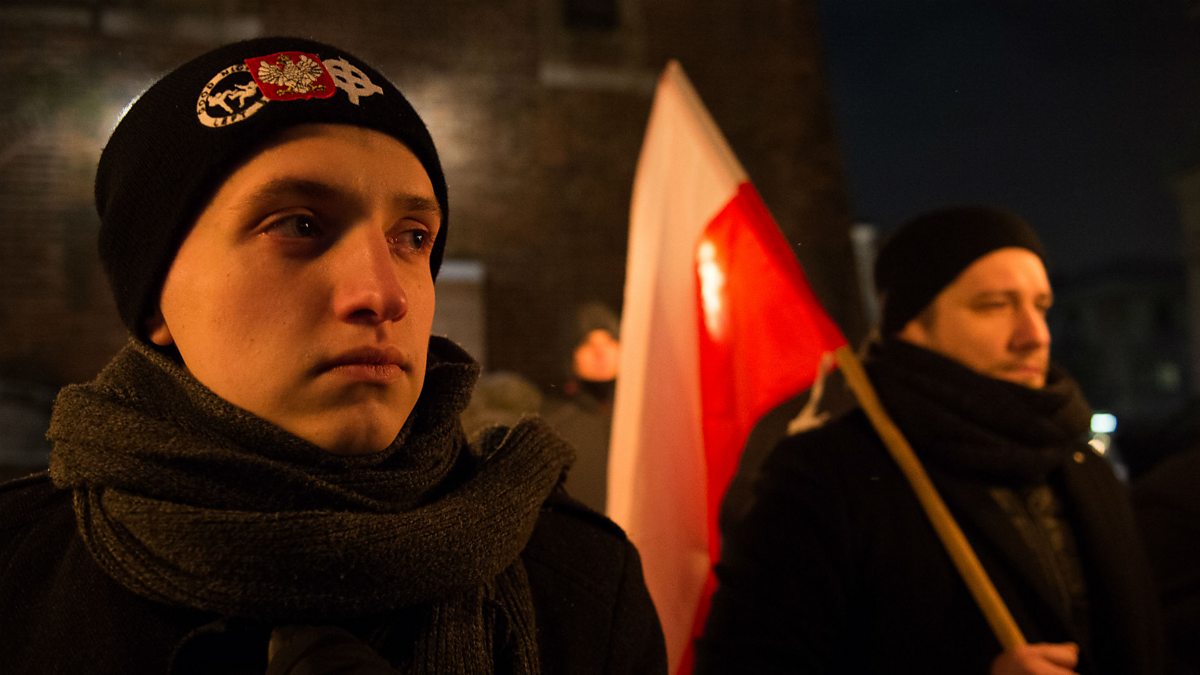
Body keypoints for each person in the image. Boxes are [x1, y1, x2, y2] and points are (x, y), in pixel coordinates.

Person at [0, 37, 665, 674]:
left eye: (412, 237)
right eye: (299, 225)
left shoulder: (579, 586)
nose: (384, 294)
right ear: (155, 299)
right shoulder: (20, 571)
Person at [696, 206, 1163, 674]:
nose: (1034, 336)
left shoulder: (1082, 466)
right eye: (995, 305)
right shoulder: (825, 478)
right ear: (913, 323)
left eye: (1040, 306)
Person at [541, 302, 621, 513]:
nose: (600, 352)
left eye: (610, 341)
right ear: (571, 356)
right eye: (587, 343)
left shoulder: (642, 423)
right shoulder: (555, 426)